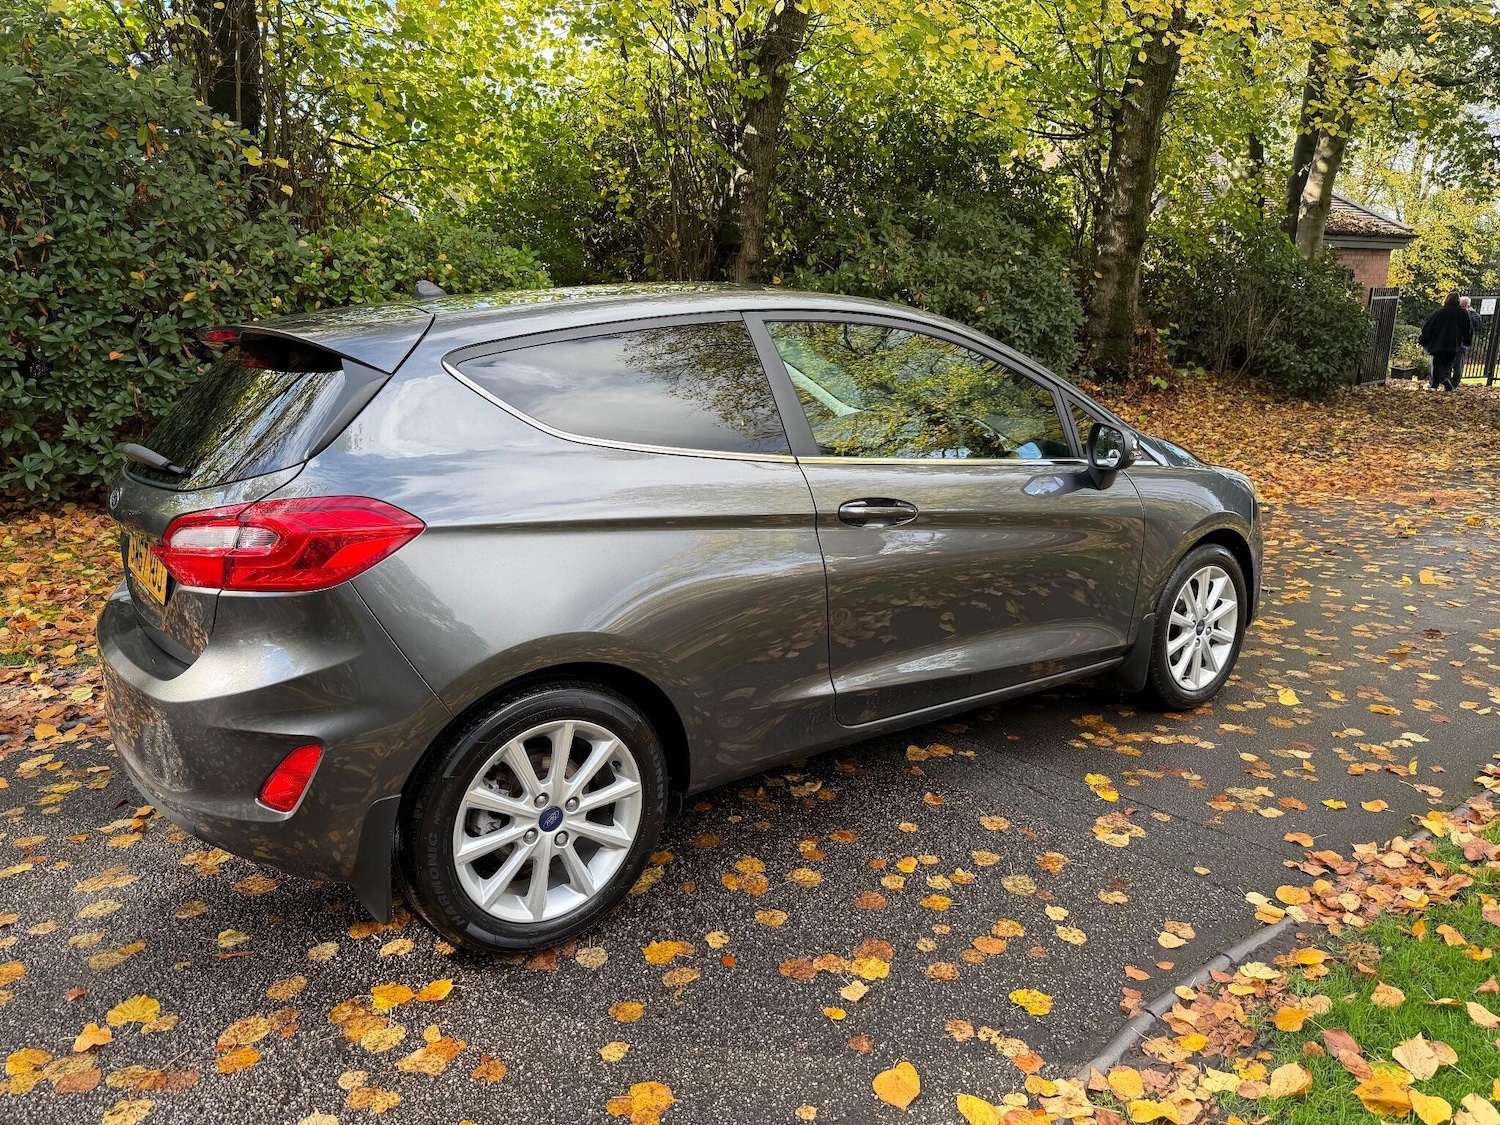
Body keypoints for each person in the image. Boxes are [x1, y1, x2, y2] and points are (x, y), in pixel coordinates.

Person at [1420, 290, 1474, 391]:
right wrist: (1466, 340)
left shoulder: (1440, 312)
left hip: (1438, 344)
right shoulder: (1463, 313)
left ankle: (1435, 384)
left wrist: (1424, 340)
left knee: (1437, 364)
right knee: (1447, 364)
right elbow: (1468, 329)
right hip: (1453, 344)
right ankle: (1445, 378)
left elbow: (1428, 327)